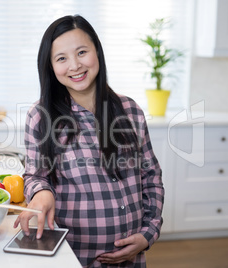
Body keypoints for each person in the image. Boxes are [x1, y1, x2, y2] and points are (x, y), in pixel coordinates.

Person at [14, 15, 164, 267]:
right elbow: (35, 175)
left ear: (97, 51)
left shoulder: (130, 110)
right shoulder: (40, 116)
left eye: (82, 52)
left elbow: (151, 176)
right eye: (61, 58)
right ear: (50, 66)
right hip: (72, 256)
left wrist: (149, 234)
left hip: (131, 257)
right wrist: (40, 193)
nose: (74, 65)